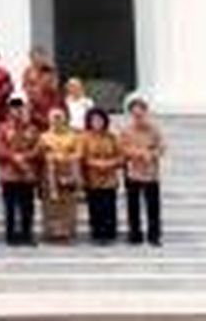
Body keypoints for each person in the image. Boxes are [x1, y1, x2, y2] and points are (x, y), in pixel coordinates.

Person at [0, 97, 40, 245]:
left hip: (27, 173)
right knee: (10, 207)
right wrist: (13, 157)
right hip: (9, 174)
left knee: (28, 207)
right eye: (14, 109)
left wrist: (24, 157)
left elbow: (38, 149)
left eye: (20, 109)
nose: (17, 112)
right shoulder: (2, 128)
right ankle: (11, 235)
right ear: (9, 110)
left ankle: (27, 234)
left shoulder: (32, 128)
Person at [120, 95, 164, 246]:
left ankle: (154, 235)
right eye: (135, 113)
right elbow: (122, 148)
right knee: (133, 205)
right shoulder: (126, 131)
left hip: (151, 173)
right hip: (133, 172)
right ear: (131, 114)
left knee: (153, 206)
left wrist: (151, 155)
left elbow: (162, 147)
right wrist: (138, 153)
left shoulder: (154, 130)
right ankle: (135, 234)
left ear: (146, 112)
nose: (138, 116)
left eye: (141, 113)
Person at [39, 107, 82, 243]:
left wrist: (65, 157)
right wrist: (52, 156)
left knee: (68, 204)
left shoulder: (73, 136)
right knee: (52, 205)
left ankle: (67, 232)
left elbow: (79, 153)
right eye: (54, 117)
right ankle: (52, 233)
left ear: (65, 119)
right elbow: (40, 153)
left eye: (59, 117)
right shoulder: (44, 136)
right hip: (50, 173)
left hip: (68, 170)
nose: (57, 120)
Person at [82, 107, 123, 244]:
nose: (97, 123)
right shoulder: (84, 137)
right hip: (92, 177)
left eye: (100, 120)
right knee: (95, 206)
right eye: (94, 120)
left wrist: (110, 164)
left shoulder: (112, 137)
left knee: (109, 206)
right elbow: (82, 156)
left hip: (109, 177)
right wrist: (95, 164)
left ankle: (109, 233)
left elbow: (121, 156)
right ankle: (97, 233)